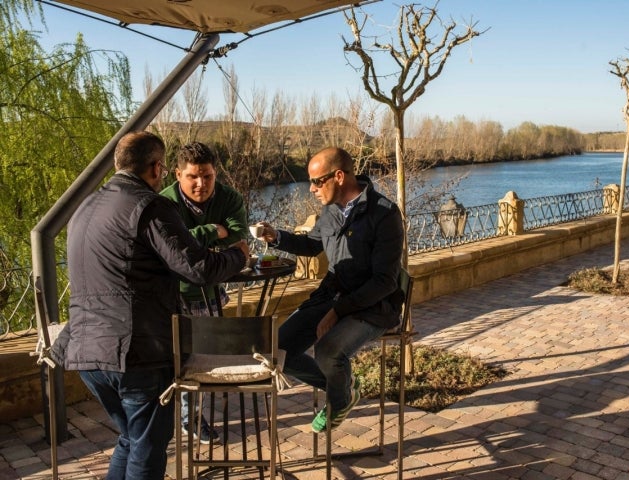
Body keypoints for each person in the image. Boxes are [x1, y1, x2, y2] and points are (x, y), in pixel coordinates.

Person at [50, 131, 249, 480]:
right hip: (135, 354)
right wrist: (237, 256)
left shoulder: (85, 207)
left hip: (85, 353)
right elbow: (197, 267)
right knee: (147, 446)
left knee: (130, 439)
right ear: (159, 168)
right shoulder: (150, 206)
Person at [256, 147, 404, 432]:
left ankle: (337, 400)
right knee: (276, 351)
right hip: (331, 296)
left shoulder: (384, 213)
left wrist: (338, 311)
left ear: (338, 176)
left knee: (327, 351)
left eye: (316, 181)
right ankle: (344, 387)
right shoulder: (330, 211)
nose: (311, 188)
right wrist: (276, 237)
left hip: (373, 306)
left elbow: (385, 281)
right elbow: (311, 245)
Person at [160, 141, 249, 443]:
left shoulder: (229, 197)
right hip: (173, 292)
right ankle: (180, 418)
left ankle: (192, 418)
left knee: (203, 358)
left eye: (208, 176)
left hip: (211, 291)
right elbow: (172, 249)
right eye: (193, 177)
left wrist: (192, 239)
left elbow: (238, 233)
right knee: (179, 360)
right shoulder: (164, 202)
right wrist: (212, 230)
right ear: (177, 174)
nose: (201, 184)